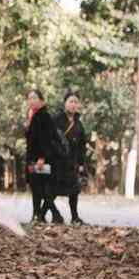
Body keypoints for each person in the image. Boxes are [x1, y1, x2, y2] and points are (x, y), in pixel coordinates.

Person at [25, 89, 64, 224]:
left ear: (42, 101)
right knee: (36, 187)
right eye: (29, 98)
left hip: (43, 159)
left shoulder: (44, 116)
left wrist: (42, 158)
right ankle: (37, 215)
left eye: (34, 98)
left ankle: (54, 214)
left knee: (43, 189)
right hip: (32, 158)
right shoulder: (32, 115)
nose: (31, 101)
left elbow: (46, 139)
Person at [53, 91, 88, 225]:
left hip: (72, 163)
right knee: (52, 191)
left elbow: (82, 146)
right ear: (65, 104)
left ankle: (75, 217)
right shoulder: (56, 120)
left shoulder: (79, 124)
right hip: (57, 162)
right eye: (71, 101)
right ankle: (48, 214)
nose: (73, 104)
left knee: (74, 191)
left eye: (75, 102)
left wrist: (81, 163)